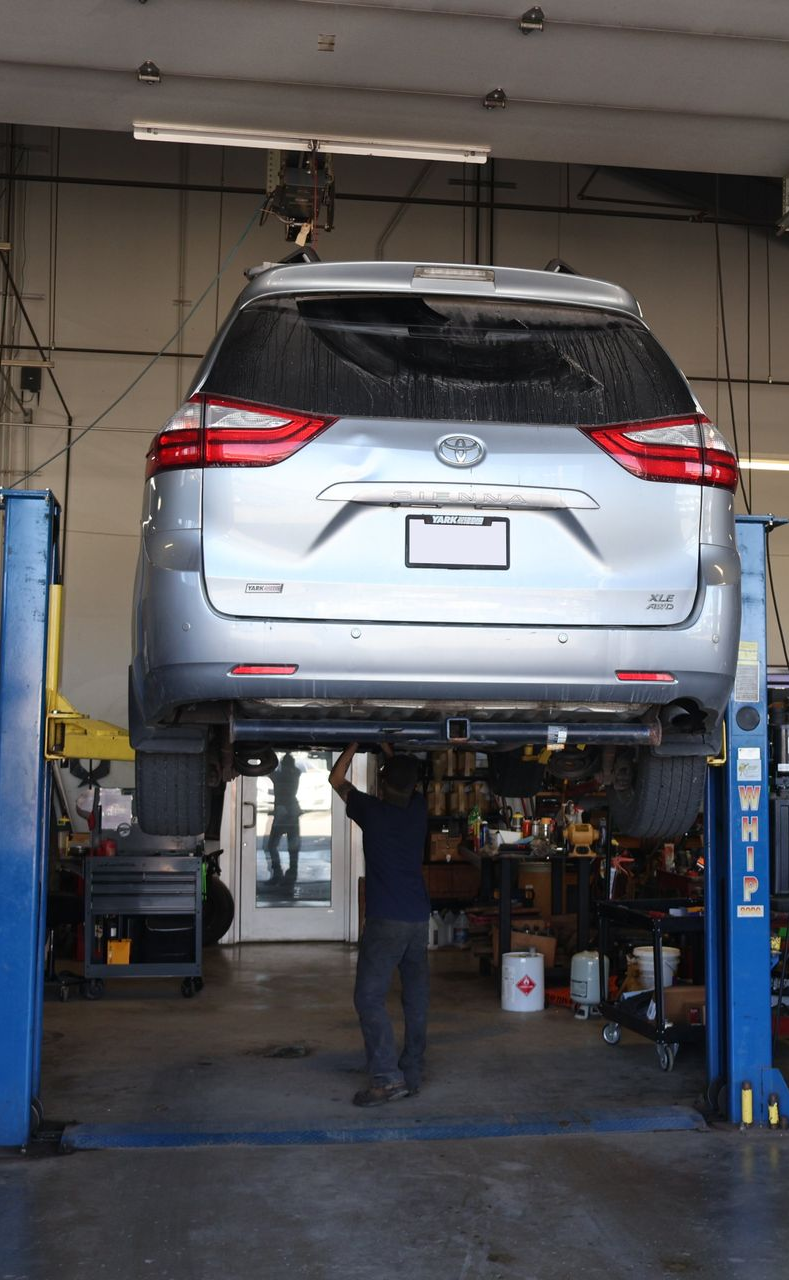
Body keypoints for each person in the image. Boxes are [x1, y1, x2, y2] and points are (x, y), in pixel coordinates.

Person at [330, 741, 430, 1108]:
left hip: (387, 919)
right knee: (416, 997)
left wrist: (355, 743)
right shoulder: (418, 809)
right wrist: (391, 754)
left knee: (369, 997)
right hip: (419, 918)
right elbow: (403, 780)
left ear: (383, 784)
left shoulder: (371, 811)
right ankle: (413, 1072)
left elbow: (335, 778)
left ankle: (387, 1080)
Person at [267, 752, 301, 893]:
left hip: (282, 814)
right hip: (293, 813)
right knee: (292, 848)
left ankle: (278, 874)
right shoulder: (295, 774)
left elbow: (269, 771)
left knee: (272, 845)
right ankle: (291, 874)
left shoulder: (281, 776)